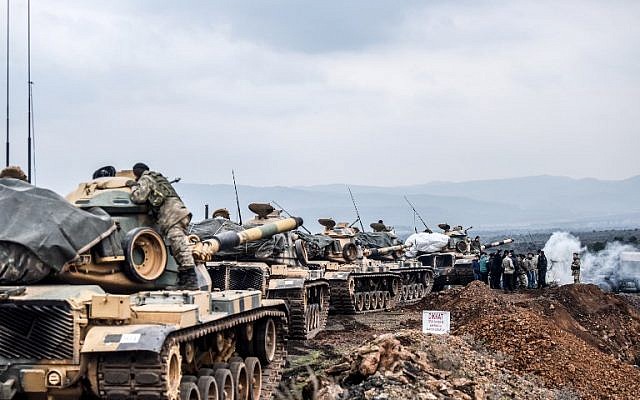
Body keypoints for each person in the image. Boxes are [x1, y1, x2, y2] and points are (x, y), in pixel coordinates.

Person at [128, 162, 197, 289]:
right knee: (176, 248)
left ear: (137, 172)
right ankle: (184, 280)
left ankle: (191, 280)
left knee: (179, 246)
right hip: (177, 212)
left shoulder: (146, 178)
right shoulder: (156, 178)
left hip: (172, 214)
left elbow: (138, 197)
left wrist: (133, 186)